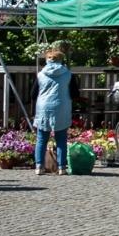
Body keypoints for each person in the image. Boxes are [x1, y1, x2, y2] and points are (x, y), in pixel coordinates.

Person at [34, 45, 72, 175]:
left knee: (41, 138)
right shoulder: (67, 74)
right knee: (61, 138)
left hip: (44, 107)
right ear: (61, 60)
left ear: (47, 60)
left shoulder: (40, 75)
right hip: (62, 106)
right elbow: (74, 92)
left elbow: (33, 93)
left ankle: (39, 166)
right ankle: (62, 167)